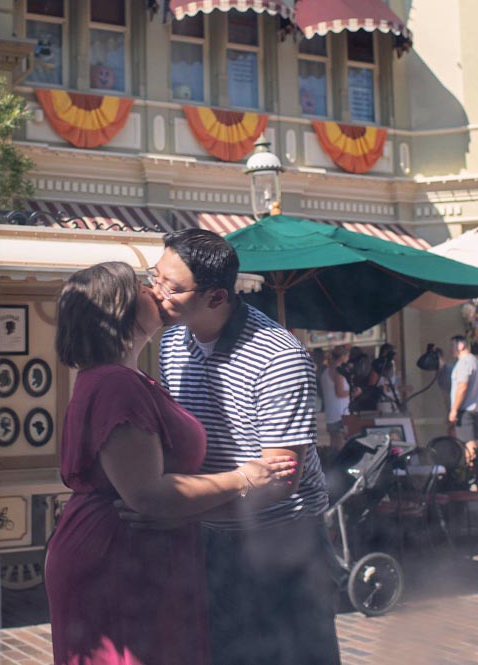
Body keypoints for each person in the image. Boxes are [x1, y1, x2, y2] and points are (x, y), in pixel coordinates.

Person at [45, 261, 295, 665]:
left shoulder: (124, 377)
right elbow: (147, 493)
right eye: (145, 286)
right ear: (120, 308)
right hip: (119, 557)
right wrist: (243, 478)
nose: (156, 292)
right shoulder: (116, 382)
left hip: (129, 552)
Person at [152, 229, 340, 665]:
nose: (156, 293)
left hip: (282, 545)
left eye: (171, 287)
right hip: (212, 537)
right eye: (155, 277)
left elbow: (281, 479)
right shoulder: (171, 344)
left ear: (217, 297)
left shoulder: (279, 357)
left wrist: (178, 508)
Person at [448, 335, 478, 452]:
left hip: (465, 410)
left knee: (469, 444)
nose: (451, 349)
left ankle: (473, 468)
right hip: (476, 409)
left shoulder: (464, 362)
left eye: (452, 345)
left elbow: (462, 387)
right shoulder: (474, 361)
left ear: (461, 345)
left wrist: (454, 409)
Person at [320, 344, 351, 449]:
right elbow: (340, 392)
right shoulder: (338, 372)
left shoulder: (325, 372)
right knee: (341, 446)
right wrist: (353, 393)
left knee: (333, 445)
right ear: (343, 357)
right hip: (340, 414)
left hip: (330, 414)